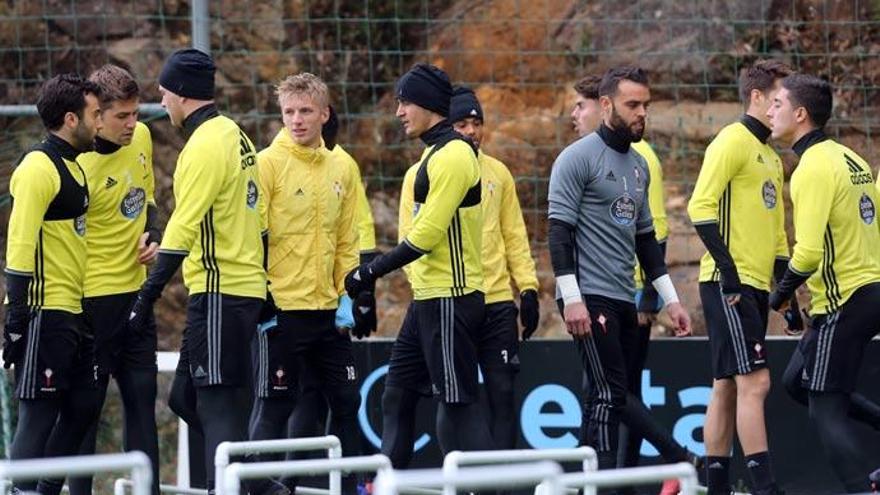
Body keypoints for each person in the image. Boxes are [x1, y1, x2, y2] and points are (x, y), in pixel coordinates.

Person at [127, 48, 266, 493]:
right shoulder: (235, 135)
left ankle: (227, 487)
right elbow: (257, 216)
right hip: (235, 289)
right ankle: (255, 483)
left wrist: (146, 295)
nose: (162, 103)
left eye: (165, 93)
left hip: (222, 291)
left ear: (184, 94)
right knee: (185, 396)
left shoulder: (204, 146)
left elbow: (184, 227)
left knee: (217, 403)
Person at [381, 86, 541, 467]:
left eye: (477, 123)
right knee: (449, 396)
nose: (471, 130)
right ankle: (460, 480)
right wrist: (427, 296)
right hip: (447, 300)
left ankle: (498, 486)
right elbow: (412, 239)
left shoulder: (498, 173)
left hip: (497, 301)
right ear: (447, 124)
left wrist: (529, 288)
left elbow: (514, 235)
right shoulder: (418, 173)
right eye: (462, 123)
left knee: (501, 394)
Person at [547, 66, 693, 481]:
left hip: (622, 294)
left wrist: (671, 299)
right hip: (587, 295)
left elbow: (646, 241)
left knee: (602, 399)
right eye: (633, 105)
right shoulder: (576, 158)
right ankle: (679, 458)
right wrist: (571, 297)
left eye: (646, 105)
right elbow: (558, 234)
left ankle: (587, 483)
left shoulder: (639, 166)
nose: (641, 113)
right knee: (611, 392)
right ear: (607, 104)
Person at [345, 63, 494, 458]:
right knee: (396, 394)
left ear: (428, 103)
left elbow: (426, 236)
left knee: (459, 403)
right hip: (428, 298)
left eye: (405, 101)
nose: (398, 111)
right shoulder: (434, 154)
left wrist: (369, 270)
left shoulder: (455, 154)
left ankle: (490, 487)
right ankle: (390, 483)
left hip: (451, 297)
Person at [248, 73, 361, 495]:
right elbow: (250, 233)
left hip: (328, 313)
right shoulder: (267, 164)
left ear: (324, 114)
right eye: (289, 112)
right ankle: (256, 489)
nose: (296, 120)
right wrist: (263, 298)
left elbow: (347, 239)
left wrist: (347, 298)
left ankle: (356, 487)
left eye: (305, 111)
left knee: (348, 403)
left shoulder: (343, 167)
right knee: (274, 405)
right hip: (281, 310)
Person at [767, 73, 880, 493]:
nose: (770, 111)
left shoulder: (811, 168)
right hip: (870, 289)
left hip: (845, 299)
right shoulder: (850, 158)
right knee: (797, 380)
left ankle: (861, 490)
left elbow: (809, 252)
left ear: (800, 114)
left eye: (777, 103)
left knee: (824, 411)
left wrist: (777, 298)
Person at [687, 59, 795, 495]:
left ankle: (715, 486)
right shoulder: (730, 141)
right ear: (755, 97)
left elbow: (777, 238)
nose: (781, 108)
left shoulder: (769, 156)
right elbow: (700, 206)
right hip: (726, 284)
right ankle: (765, 488)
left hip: (753, 285)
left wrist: (788, 300)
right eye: (776, 99)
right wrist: (729, 275)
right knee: (757, 382)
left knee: (726, 387)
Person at [3, 73, 102, 493]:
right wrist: (17, 317)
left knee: (83, 407)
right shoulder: (37, 168)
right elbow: (20, 246)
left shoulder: (74, 167)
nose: (99, 123)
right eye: (94, 114)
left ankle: (43, 489)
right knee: (38, 415)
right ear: (70, 119)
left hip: (73, 312)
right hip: (44, 313)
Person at [64, 64, 161, 495]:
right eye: (121, 116)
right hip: (91, 305)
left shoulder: (141, 138)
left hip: (136, 299)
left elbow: (150, 197)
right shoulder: (76, 166)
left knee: (143, 406)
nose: (132, 124)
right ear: (94, 116)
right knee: (85, 411)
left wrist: (153, 234)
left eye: (136, 113)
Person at [571, 74, 671, 481]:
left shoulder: (641, 158)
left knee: (614, 392)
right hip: (598, 293)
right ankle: (608, 478)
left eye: (580, 105)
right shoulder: (586, 156)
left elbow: (655, 230)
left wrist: (650, 298)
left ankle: (626, 474)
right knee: (606, 393)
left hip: (626, 296)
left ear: (603, 105)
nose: (574, 114)